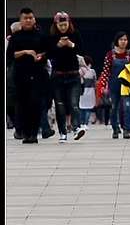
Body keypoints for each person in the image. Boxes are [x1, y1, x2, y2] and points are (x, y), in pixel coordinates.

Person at [6, 8, 49, 144]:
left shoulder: (41, 35)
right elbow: (10, 55)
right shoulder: (16, 37)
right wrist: (24, 52)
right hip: (21, 74)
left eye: (30, 17)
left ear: (34, 19)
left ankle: (34, 133)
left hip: (37, 73)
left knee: (35, 102)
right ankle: (25, 131)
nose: (28, 20)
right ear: (21, 20)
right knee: (22, 103)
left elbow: (48, 52)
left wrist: (40, 56)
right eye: (25, 18)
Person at [46, 11, 87, 142]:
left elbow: (82, 51)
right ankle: (62, 132)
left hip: (73, 74)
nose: (63, 27)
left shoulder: (75, 34)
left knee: (74, 103)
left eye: (65, 25)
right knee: (60, 104)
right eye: (60, 25)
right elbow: (48, 54)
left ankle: (76, 128)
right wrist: (58, 46)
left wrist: (71, 45)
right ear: (56, 25)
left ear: (69, 23)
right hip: (57, 75)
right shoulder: (52, 36)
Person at [99, 31, 130, 139]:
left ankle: (127, 129)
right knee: (114, 107)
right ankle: (115, 127)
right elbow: (106, 71)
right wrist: (103, 85)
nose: (123, 42)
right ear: (117, 41)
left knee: (127, 107)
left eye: (125, 40)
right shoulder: (110, 55)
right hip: (114, 84)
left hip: (127, 84)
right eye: (121, 40)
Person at [78, 55, 97, 127]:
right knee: (88, 108)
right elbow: (94, 81)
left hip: (81, 90)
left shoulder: (79, 71)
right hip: (90, 90)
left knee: (81, 107)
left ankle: (81, 122)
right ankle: (86, 123)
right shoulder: (92, 71)